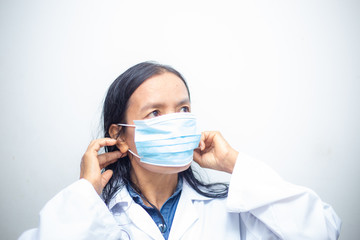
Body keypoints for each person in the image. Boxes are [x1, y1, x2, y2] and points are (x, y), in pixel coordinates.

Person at [19, 62, 341, 240]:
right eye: (155, 113)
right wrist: (85, 191)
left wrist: (233, 164)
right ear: (118, 135)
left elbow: (323, 232)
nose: (175, 122)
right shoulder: (91, 215)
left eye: (183, 109)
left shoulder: (232, 211)